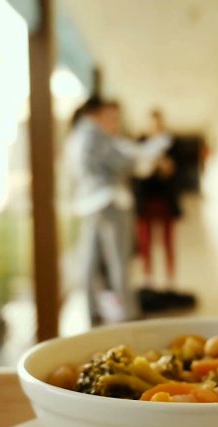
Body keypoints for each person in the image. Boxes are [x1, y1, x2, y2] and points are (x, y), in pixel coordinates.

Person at [67, 97, 170, 325]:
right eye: (112, 117)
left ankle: (92, 311)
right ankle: (129, 314)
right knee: (119, 260)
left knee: (91, 260)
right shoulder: (94, 135)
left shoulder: (77, 137)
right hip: (109, 202)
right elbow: (124, 162)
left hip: (90, 204)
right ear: (98, 114)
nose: (115, 123)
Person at [132, 110, 196, 312]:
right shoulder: (140, 144)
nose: (155, 127)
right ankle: (148, 280)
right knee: (146, 242)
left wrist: (167, 168)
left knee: (168, 241)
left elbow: (179, 171)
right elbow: (136, 171)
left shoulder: (173, 145)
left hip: (165, 200)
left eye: (158, 123)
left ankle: (170, 280)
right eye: (152, 124)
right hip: (146, 201)